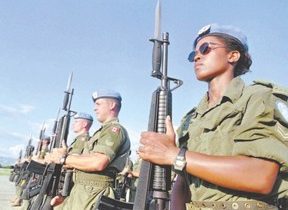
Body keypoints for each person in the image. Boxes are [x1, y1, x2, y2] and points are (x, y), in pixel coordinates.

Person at [139, 23, 288, 210]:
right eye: (193, 54)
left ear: (233, 55)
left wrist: (175, 155)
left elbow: (261, 176)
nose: (197, 57)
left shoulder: (259, 98)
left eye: (205, 48)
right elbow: (182, 183)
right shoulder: (191, 118)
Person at [46, 89, 131, 210]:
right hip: (83, 190)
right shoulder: (101, 132)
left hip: (94, 192)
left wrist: (64, 158)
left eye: (98, 104)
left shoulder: (114, 130)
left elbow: (98, 162)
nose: (94, 108)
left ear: (112, 105)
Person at [50, 112, 94, 208]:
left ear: (85, 124)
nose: (73, 124)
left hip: (69, 182)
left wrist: (62, 156)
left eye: (77, 122)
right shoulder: (78, 140)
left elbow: (72, 163)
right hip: (66, 181)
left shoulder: (82, 140)